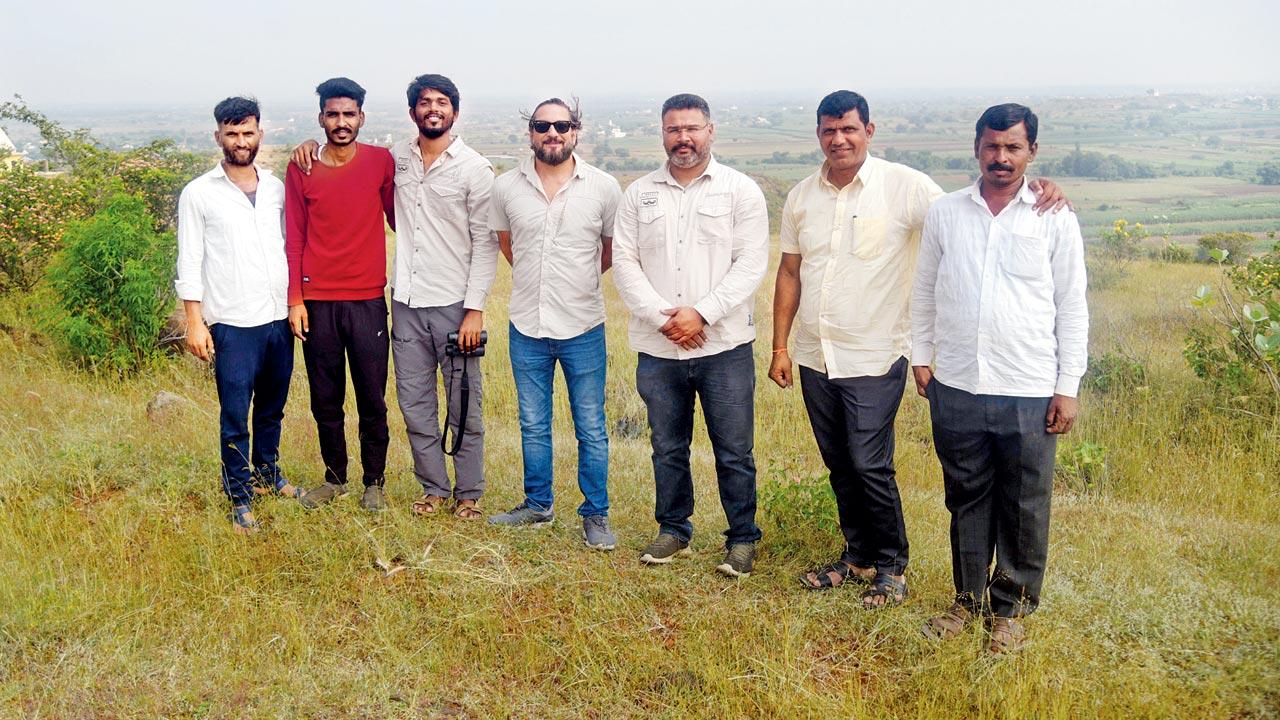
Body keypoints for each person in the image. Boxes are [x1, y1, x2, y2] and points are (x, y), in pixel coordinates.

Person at [768, 90, 1068, 607]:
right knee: (840, 462)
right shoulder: (801, 196)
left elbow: (971, 214)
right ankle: (857, 556)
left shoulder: (905, 187)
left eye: (849, 129)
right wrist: (780, 346)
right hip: (817, 354)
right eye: (828, 131)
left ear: (869, 131)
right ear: (818, 134)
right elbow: (790, 271)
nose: (839, 139)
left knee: (868, 463)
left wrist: (1034, 189)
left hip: (876, 353)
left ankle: (891, 564)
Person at [911, 103, 1088, 653]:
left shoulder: (1053, 216)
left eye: (1013, 147)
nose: (1001, 157)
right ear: (977, 148)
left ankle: (1008, 610)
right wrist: (921, 354)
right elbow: (924, 288)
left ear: (1032, 150)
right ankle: (967, 601)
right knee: (965, 497)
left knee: (1024, 502)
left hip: (1029, 385)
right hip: (958, 381)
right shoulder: (946, 212)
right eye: (992, 146)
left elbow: (1072, 305)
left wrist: (1068, 385)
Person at [294, 74, 497, 519]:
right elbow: (346, 169)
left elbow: (485, 243)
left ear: (455, 111)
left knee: (463, 401)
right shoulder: (395, 160)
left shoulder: (475, 169)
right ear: (412, 113)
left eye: (442, 102)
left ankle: (470, 492)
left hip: (454, 302)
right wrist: (308, 145)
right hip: (404, 300)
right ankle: (433, 489)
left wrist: (475, 310)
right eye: (424, 102)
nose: (433, 109)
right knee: (414, 402)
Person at [612, 93, 769, 578]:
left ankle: (741, 539)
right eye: (673, 129)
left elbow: (751, 264)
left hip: (723, 347)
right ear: (662, 133)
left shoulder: (740, 190)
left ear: (710, 131)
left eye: (692, 128)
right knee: (667, 445)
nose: (683, 138)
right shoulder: (639, 194)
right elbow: (625, 263)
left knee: (734, 450)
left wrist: (701, 314)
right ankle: (673, 529)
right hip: (659, 348)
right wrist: (667, 320)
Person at [486, 97, 622, 550]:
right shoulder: (506, 187)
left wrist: (573, 280)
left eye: (562, 125)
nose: (553, 133)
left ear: (576, 131)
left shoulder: (603, 188)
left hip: (583, 325)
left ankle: (596, 514)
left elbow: (609, 251)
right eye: (543, 125)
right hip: (526, 324)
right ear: (531, 132)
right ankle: (537, 503)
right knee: (533, 422)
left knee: (590, 425)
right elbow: (510, 247)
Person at [177, 96, 295, 533]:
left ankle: (267, 477)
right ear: (218, 137)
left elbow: (291, 248)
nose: (241, 141)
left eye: (248, 133)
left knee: (271, 409)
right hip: (230, 323)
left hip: (276, 319)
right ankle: (239, 496)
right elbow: (189, 260)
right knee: (234, 415)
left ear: (260, 135)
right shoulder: (199, 193)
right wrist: (194, 321)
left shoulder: (277, 189)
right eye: (232, 133)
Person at [284, 77, 396, 513]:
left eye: (349, 114)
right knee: (325, 397)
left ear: (362, 118)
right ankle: (334, 478)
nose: (341, 122)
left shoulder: (380, 162)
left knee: (372, 396)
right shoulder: (302, 167)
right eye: (333, 114)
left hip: (367, 299)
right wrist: (295, 299)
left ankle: (375, 482)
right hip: (317, 303)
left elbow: (399, 218)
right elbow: (294, 237)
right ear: (321, 119)